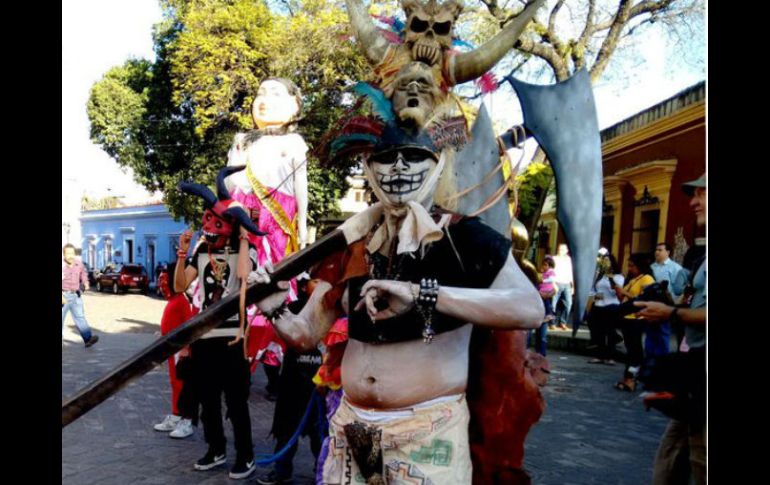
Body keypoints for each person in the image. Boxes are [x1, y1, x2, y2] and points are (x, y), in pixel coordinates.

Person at [252, 117, 544, 484]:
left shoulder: (464, 237)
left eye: (413, 156)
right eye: (387, 158)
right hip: (356, 427)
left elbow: (530, 308)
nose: (400, 167)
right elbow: (305, 334)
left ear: (436, 165)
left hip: (427, 432)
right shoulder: (353, 244)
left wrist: (425, 294)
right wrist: (273, 306)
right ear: (370, 169)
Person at [175, 166, 265, 480]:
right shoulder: (201, 250)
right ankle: (216, 449)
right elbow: (180, 285)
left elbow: (243, 276)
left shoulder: (247, 250)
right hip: (202, 338)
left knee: (236, 402)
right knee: (207, 399)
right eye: (207, 219)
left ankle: (246, 455)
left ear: (231, 225)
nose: (209, 226)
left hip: (232, 339)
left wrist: (244, 237)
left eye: (217, 222)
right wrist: (184, 252)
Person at [225, 77, 309, 396]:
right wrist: (235, 156)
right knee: (238, 290)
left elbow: (301, 188)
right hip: (243, 220)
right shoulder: (246, 140)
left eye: (274, 93)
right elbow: (231, 186)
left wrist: (301, 229)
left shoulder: (295, 142)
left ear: (294, 104)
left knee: (274, 291)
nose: (264, 99)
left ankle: (273, 371)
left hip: (277, 223)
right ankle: (236, 361)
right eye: (260, 93)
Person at [634, 173, 706, 485]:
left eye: (702, 194)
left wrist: (671, 312)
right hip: (696, 375)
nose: (694, 202)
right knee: (670, 462)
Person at [152, 260, 197, 439]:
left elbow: (189, 324)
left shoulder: (184, 300)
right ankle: (177, 414)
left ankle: (187, 419)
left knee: (184, 385)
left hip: (182, 350)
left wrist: (186, 347)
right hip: (173, 349)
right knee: (175, 383)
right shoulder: (176, 299)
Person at [613, 253, 656, 391]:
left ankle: (632, 379)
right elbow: (624, 299)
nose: (630, 269)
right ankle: (628, 378)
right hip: (627, 318)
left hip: (637, 319)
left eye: (632, 266)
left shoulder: (647, 279)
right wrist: (619, 292)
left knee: (635, 350)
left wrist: (624, 293)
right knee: (630, 349)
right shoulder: (633, 279)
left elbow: (644, 298)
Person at [587, 251, 624, 365]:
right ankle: (600, 355)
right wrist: (595, 298)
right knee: (599, 332)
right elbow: (593, 291)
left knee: (610, 331)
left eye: (607, 261)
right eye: (603, 261)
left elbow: (616, 291)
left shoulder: (618, 277)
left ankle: (611, 356)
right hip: (599, 305)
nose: (605, 263)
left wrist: (611, 278)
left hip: (612, 305)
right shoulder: (599, 276)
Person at [648, 242, 683, 357]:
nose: (657, 252)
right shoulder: (651, 267)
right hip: (650, 304)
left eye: (660, 250)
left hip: (666, 304)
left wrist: (674, 304)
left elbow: (678, 288)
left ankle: (662, 359)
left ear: (668, 252)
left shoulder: (675, 268)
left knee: (663, 332)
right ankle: (649, 358)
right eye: (656, 250)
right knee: (651, 332)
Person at [62, 244, 99, 348]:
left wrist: (85, 282)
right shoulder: (62, 266)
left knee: (80, 317)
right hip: (63, 295)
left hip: (76, 295)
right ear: (64, 255)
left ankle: (88, 339)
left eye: (72, 253)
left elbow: (83, 273)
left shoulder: (79, 264)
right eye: (68, 253)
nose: (70, 256)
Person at [530, 256, 557, 355]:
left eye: (545, 265)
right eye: (543, 265)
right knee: (533, 335)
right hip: (534, 307)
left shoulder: (549, 274)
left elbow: (554, 288)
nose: (543, 267)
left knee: (541, 335)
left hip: (543, 300)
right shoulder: (540, 275)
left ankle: (541, 354)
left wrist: (547, 293)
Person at [552, 243, 574, 330]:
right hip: (557, 282)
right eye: (559, 249)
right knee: (553, 304)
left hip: (567, 284)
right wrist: (553, 283)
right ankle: (552, 322)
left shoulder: (569, 259)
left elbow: (571, 273)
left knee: (569, 304)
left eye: (562, 249)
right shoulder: (554, 259)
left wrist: (573, 286)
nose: (560, 251)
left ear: (566, 251)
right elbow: (551, 272)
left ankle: (563, 322)